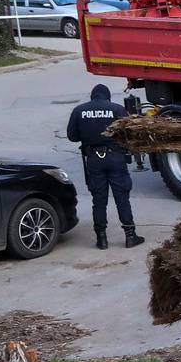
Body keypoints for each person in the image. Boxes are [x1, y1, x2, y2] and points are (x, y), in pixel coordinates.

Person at [66, 85, 145, 249]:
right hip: (115, 158)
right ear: (107, 97)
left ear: (92, 96)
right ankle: (130, 236)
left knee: (99, 201)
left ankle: (101, 239)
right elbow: (129, 134)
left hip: (94, 160)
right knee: (122, 198)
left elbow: (72, 136)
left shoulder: (79, 110)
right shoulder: (116, 109)